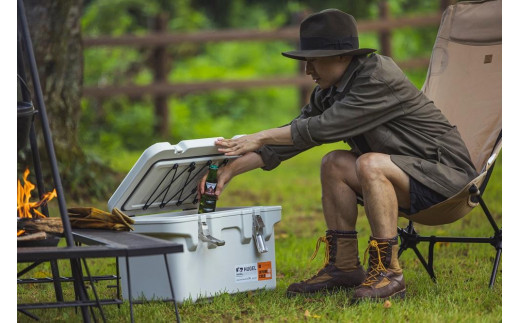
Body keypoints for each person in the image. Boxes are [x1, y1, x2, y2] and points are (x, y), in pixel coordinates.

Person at [199, 8, 477, 301]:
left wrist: (259, 135)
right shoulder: (330, 91)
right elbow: (293, 138)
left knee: (369, 163)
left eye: (314, 60)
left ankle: (389, 274)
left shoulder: (377, 78)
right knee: (334, 163)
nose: (308, 70)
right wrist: (230, 171)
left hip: (447, 180)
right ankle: (343, 268)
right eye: (306, 61)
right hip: (408, 177)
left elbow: (323, 127)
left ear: (344, 56)